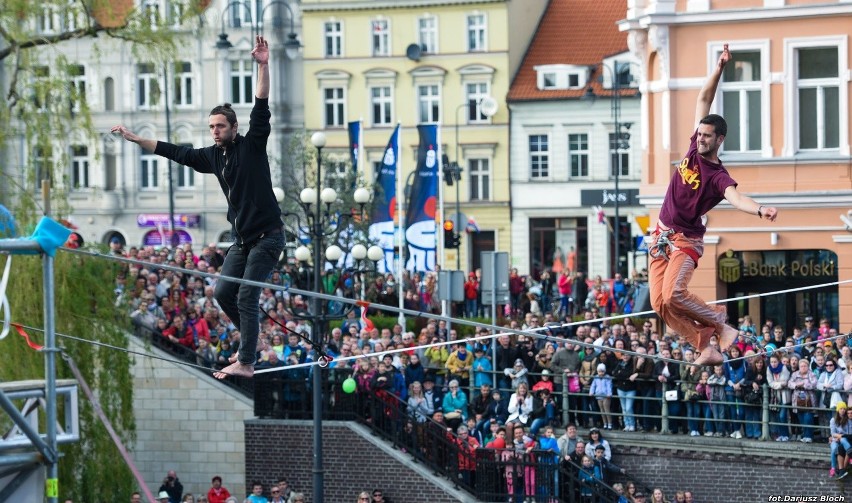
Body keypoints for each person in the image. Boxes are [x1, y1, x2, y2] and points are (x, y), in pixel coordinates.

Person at [112, 36, 285, 380]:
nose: (215, 131)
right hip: (241, 240)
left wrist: (263, 64)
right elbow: (174, 151)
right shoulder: (211, 155)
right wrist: (135, 139)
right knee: (222, 292)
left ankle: (247, 360)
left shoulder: (252, 144)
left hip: (268, 237)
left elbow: (262, 100)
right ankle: (254, 339)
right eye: (211, 127)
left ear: (234, 128)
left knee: (248, 294)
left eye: (221, 126)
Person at [648, 43, 778, 367]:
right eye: (701, 133)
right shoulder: (693, 147)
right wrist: (719, 69)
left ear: (720, 139)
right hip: (661, 235)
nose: (701, 138)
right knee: (659, 303)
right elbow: (703, 99)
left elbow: (736, 198)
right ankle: (704, 345)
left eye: (708, 136)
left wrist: (760, 209)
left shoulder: (718, 175)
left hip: (686, 242)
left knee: (675, 294)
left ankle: (718, 319)